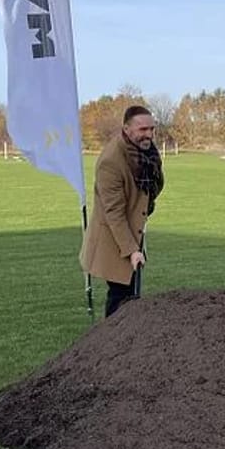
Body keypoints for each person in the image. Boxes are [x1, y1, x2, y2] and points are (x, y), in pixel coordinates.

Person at [80, 105, 164, 317]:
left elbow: (153, 186)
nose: (149, 134)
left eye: (152, 129)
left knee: (130, 293)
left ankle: (126, 343)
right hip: (113, 238)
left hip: (132, 231)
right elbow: (114, 213)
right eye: (142, 129)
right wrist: (132, 250)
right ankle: (109, 344)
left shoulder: (148, 154)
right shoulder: (111, 162)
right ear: (126, 129)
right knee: (120, 295)